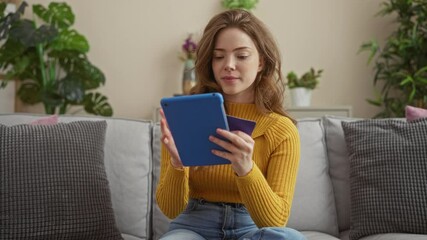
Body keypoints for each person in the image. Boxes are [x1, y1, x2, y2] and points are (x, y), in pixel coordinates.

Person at [157, 9, 304, 240]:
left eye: (242, 56)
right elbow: (170, 209)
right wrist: (178, 163)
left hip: (251, 228)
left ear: (261, 63)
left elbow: (275, 222)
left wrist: (246, 168)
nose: (229, 65)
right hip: (193, 226)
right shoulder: (184, 116)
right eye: (219, 56)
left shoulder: (282, 130)